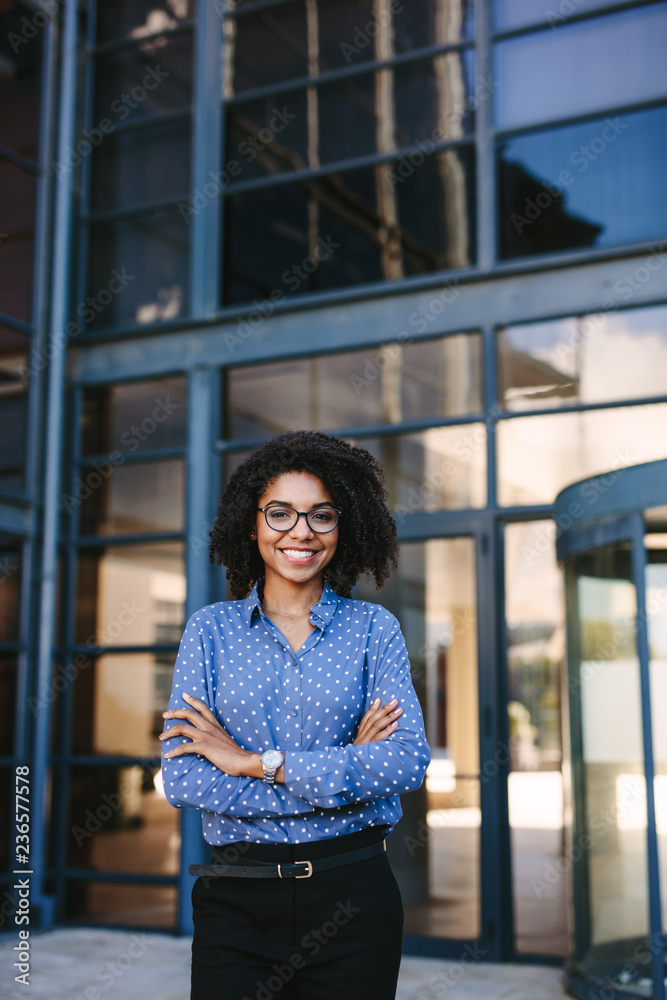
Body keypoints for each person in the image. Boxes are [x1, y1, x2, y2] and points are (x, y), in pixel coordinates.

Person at [160, 429, 430, 1000]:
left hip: (354, 898)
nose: (300, 531)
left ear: (344, 526)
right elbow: (184, 779)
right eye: (279, 513)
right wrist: (348, 770)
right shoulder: (209, 632)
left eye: (321, 515)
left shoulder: (373, 631)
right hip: (236, 901)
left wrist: (252, 763)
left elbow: (405, 762)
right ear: (251, 523)